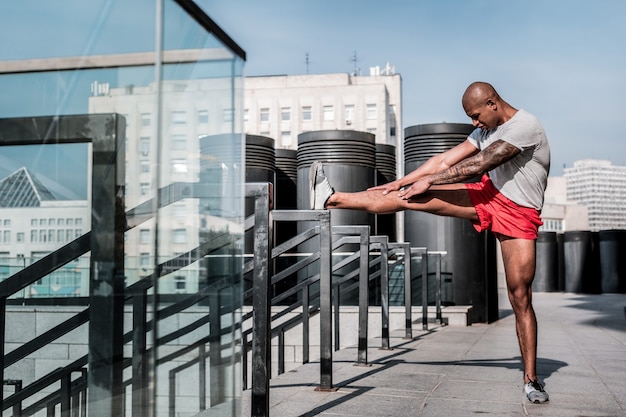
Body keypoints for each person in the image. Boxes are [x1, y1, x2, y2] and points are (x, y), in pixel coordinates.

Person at [309, 81, 550, 404]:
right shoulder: (483, 131)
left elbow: (480, 164)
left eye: (477, 116)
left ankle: (531, 379)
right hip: (488, 195)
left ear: (492, 104)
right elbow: (442, 161)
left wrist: (430, 181)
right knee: (408, 197)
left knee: (519, 295)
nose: (475, 124)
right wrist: (403, 181)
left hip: (519, 212)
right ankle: (330, 198)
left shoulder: (525, 126)